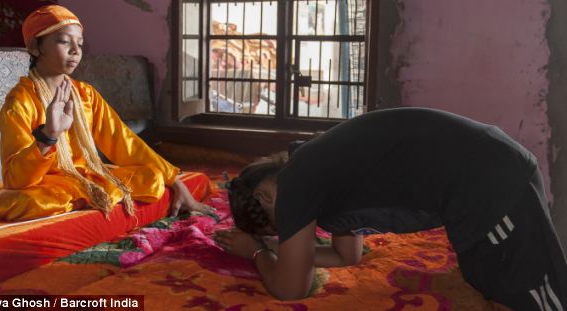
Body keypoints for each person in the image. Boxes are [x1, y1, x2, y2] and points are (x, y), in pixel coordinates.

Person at [214, 107, 567, 309]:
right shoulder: (317, 170)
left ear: (265, 198)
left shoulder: (296, 184)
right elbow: (346, 256)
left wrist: (258, 253)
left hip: (488, 184)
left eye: (281, 227)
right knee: (490, 284)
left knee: (532, 295)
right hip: (483, 177)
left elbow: (291, 289)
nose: (292, 229)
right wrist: (280, 249)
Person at [0, 5, 212, 220]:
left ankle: (85, 199)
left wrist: (174, 180)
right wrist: (48, 135)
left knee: (151, 177)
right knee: (23, 201)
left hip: (84, 178)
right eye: (65, 41)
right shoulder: (20, 102)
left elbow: (124, 142)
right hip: (47, 184)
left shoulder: (85, 94)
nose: (76, 51)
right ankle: (85, 198)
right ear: (36, 47)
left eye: (80, 43)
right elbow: (16, 181)